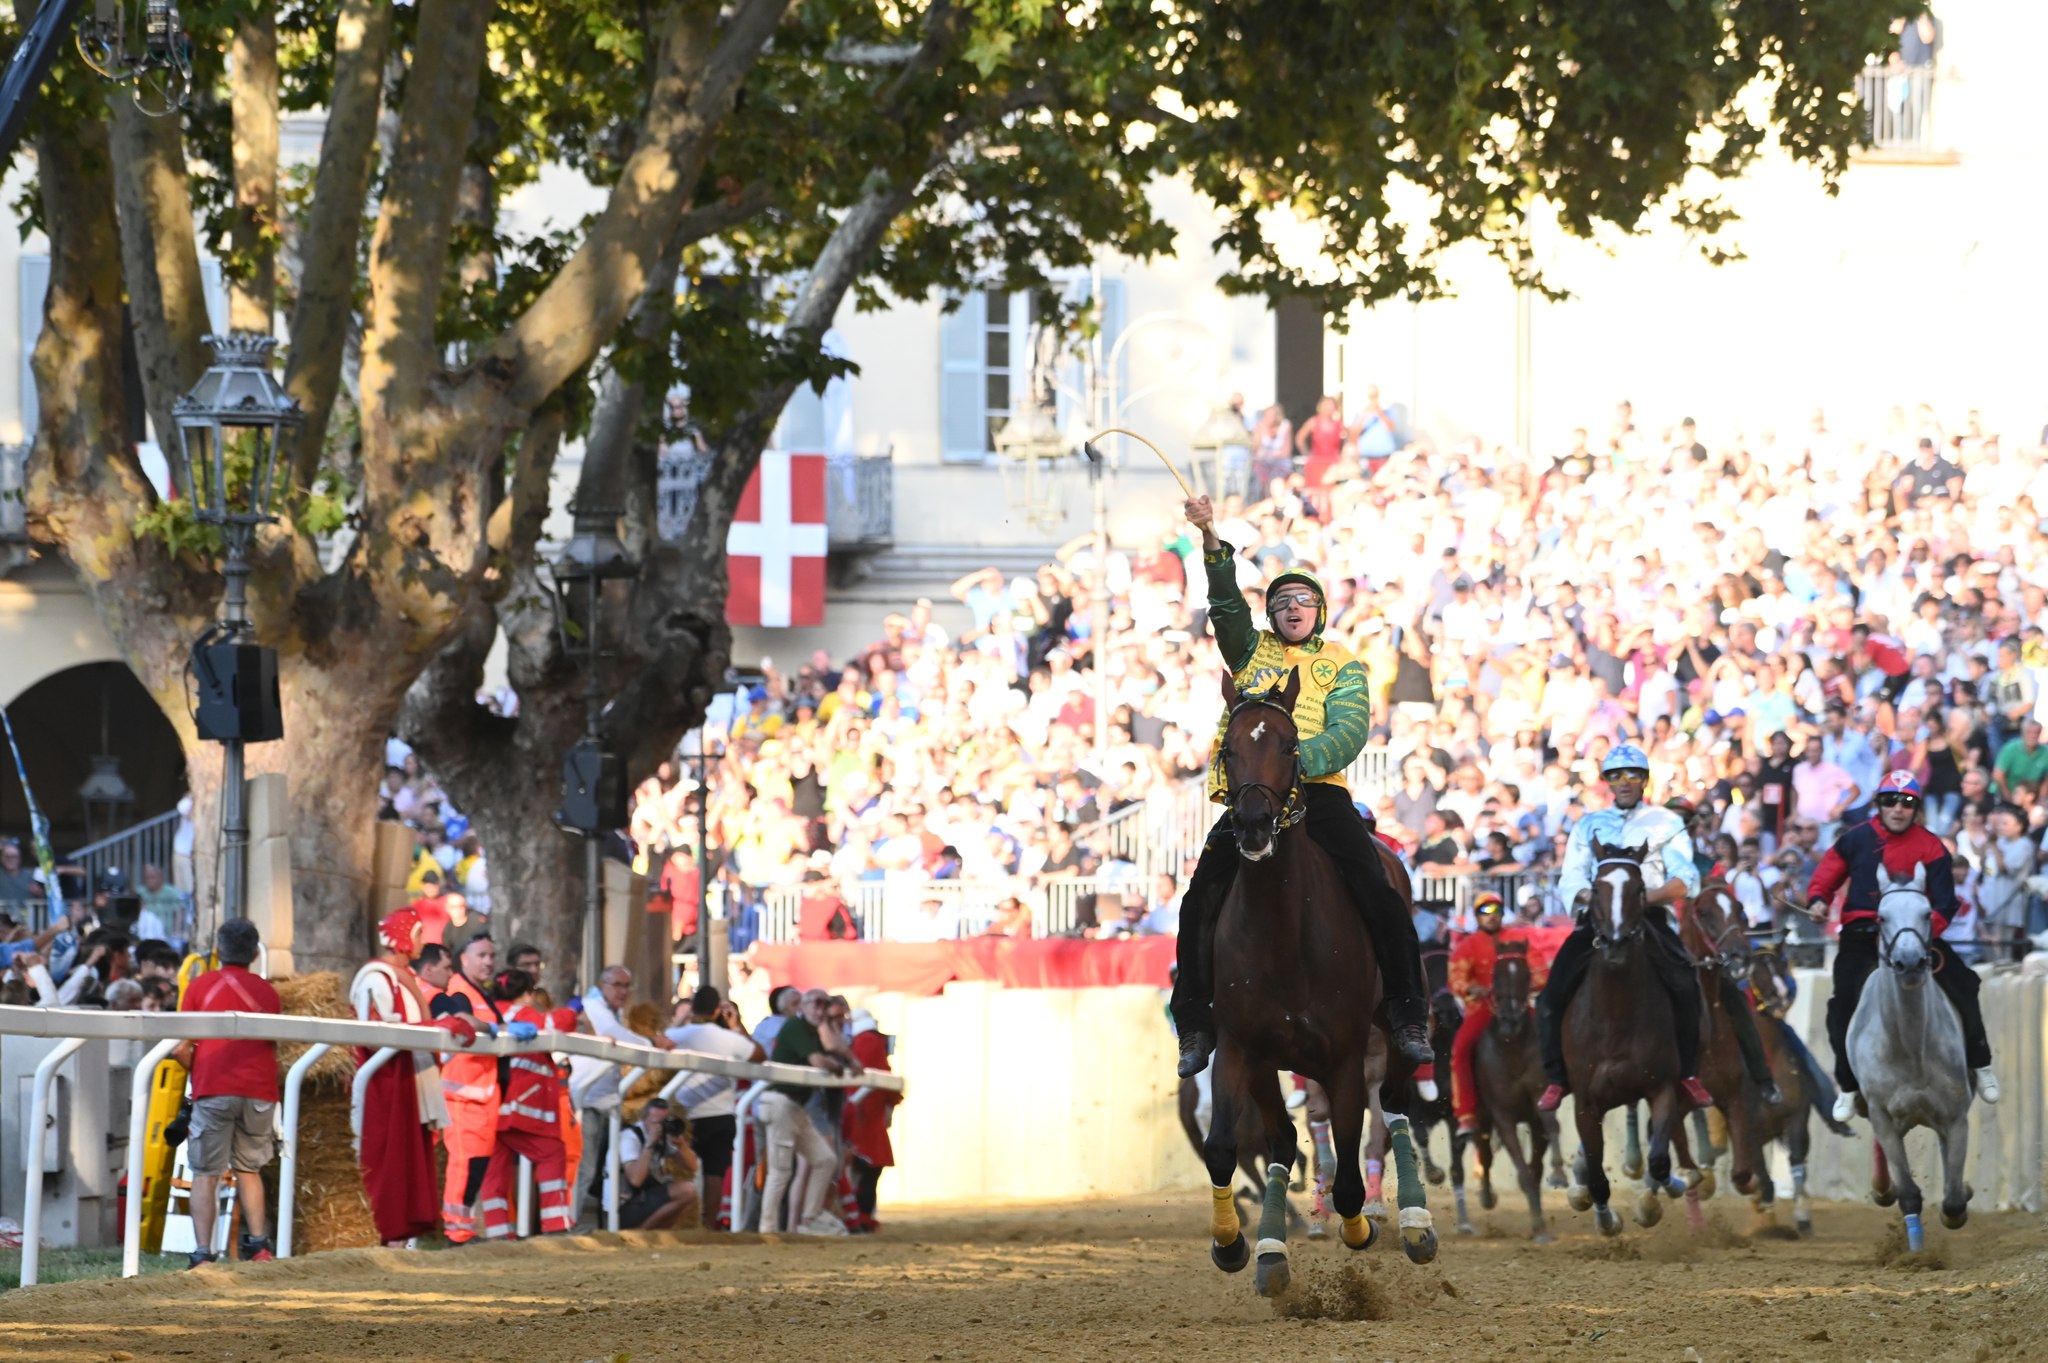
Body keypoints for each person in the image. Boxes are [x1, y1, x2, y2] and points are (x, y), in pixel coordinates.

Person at [1170, 493, 1432, 1079]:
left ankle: (1408, 1011)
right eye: (1283, 601)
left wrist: (1287, 765)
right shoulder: (1249, 651)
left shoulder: (1342, 662)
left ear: (1318, 612)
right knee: (1199, 898)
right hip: (1250, 799)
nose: (1293, 608)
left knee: (1377, 887)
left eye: (1304, 601)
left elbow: (1350, 730)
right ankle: (1193, 1022)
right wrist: (1211, 539)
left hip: (1319, 794)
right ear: (1272, 613)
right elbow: (1224, 606)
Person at [1537, 745, 1754, 1114]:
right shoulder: (1588, 824)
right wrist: (1606, 899)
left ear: (1644, 780)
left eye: (1632, 774)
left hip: (1649, 914)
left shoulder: (1665, 822)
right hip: (1599, 916)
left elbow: (1685, 876)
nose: (1624, 782)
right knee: (1549, 996)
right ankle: (1557, 1078)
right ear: (1606, 782)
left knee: (1687, 987)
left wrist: (1639, 898)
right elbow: (1572, 876)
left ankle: (1687, 1074)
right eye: (1616, 775)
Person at [1807, 770, 1998, 1120]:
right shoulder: (1855, 838)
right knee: (1841, 1003)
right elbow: (1827, 873)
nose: (1898, 808)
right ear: (1879, 804)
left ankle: (1980, 1063)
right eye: (1890, 801)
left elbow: (1944, 903)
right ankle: (1849, 1086)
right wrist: (1818, 899)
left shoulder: (1931, 845)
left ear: (1916, 808)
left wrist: (1922, 933)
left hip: (1916, 933)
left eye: (1907, 802)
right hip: (1863, 932)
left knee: (1965, 982)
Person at [350, 908, 475, 1246]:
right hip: (387, 1082)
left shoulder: (400, 977)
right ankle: (378, 1236)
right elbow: (378, 1033)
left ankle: (399, 1238)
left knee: (405, 1162)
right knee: (385, 1161)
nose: (422, 941)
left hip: (409, 1081)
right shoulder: (377, 977)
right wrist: (438, 1026)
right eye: (418, 934)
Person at [176, 919, 281, 1267]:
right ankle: (260, 1247)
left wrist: (199, 1069)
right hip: (259, 1091)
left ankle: (204, 1254)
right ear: (254, 953)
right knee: (249, 1169)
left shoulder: (199, 986)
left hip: (214, 1089)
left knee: (205, 1171)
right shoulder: (268, 992)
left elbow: (180, 1048)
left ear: (218, 951)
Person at [476, 969, 572, 1239]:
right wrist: (574, 1010)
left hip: (488, 1105)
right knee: (552, 1153)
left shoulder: (486, 1013)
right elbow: (556, 1024)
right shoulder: (524, 1014)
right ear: (528, 994)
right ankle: (556, 1226)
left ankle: (498, 1235)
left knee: (494, 1173)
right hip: (520, 1107)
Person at [1446, 893, 1549, 1135]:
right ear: (1477, 916)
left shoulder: (1519, 939)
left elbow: (1541, 972)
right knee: (1459, 1050)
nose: (1491, 916)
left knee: (1552, 1032)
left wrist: (1524, 986)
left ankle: (1559, 1088)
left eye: (1496, 911)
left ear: (1503, 914)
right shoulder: (1467, 946)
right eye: (1485, 912)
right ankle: (1466, 1113)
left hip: (1520, 1006)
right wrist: (1472, 987)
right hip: (1484, 1009)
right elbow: (1456, 979)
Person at [429, 934, 506, 1244]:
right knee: (464, 1165)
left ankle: (462, 1229)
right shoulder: (460, 992)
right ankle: (455, 1232)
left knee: (475, 1166)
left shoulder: (477, 993)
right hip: (463, 1095)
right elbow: (463, 1022)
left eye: (492, 955)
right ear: (464, 959)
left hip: (481, 1094)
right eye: (482, 955)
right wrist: (492, 1027)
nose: (488, 961)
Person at [761, 990, 857, 1234]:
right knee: (780, 1170)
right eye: (816, 1004)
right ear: (802, 1006)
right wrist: (841, 1065)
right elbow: (819, 1060)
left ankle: (808, 1219)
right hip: (781, 1102)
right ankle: (768, 1228)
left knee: (825, 1160)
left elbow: (834, 1049)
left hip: (795, 1104)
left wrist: (841, 1054)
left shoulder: (812, 1029)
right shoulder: (796, 1027)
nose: (820, 1010)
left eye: (824, 1005)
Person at [664, 986, 765, 1193]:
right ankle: (710, 1223)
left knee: (682, 1172)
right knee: (715, 1173)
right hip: (720, 1114)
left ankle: (688, 1219)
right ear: (717, 1011)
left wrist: (679, 1021)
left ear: (692, 1008)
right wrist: (736, 1025)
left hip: (685, 1113)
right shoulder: (730, 1038)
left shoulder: (676, 1034)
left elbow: (658, 1042)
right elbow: (760, 1055)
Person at [841, 1009, 900, 1233]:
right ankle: (861, 1217)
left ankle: (861, 1216)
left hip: (863, 1112)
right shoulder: (869, 1041)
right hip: (864, 1115)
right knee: (866, 1168)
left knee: (862, 1169)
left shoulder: (863, 1040)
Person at [612, 1097, 700, 1230]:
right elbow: (636, 1180)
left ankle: (655, 1233)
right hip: (622, 1206)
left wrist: (681, 1144)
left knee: (689, 1192)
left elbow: (692, 1167)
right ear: (642, 1119)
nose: (659, 1127)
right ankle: (640, 1234)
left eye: (663, 1122)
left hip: (643, 1199)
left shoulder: (662, 1136)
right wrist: (650, 1144)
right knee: (686, 1190)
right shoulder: (630, 1137)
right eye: (655, 1122)